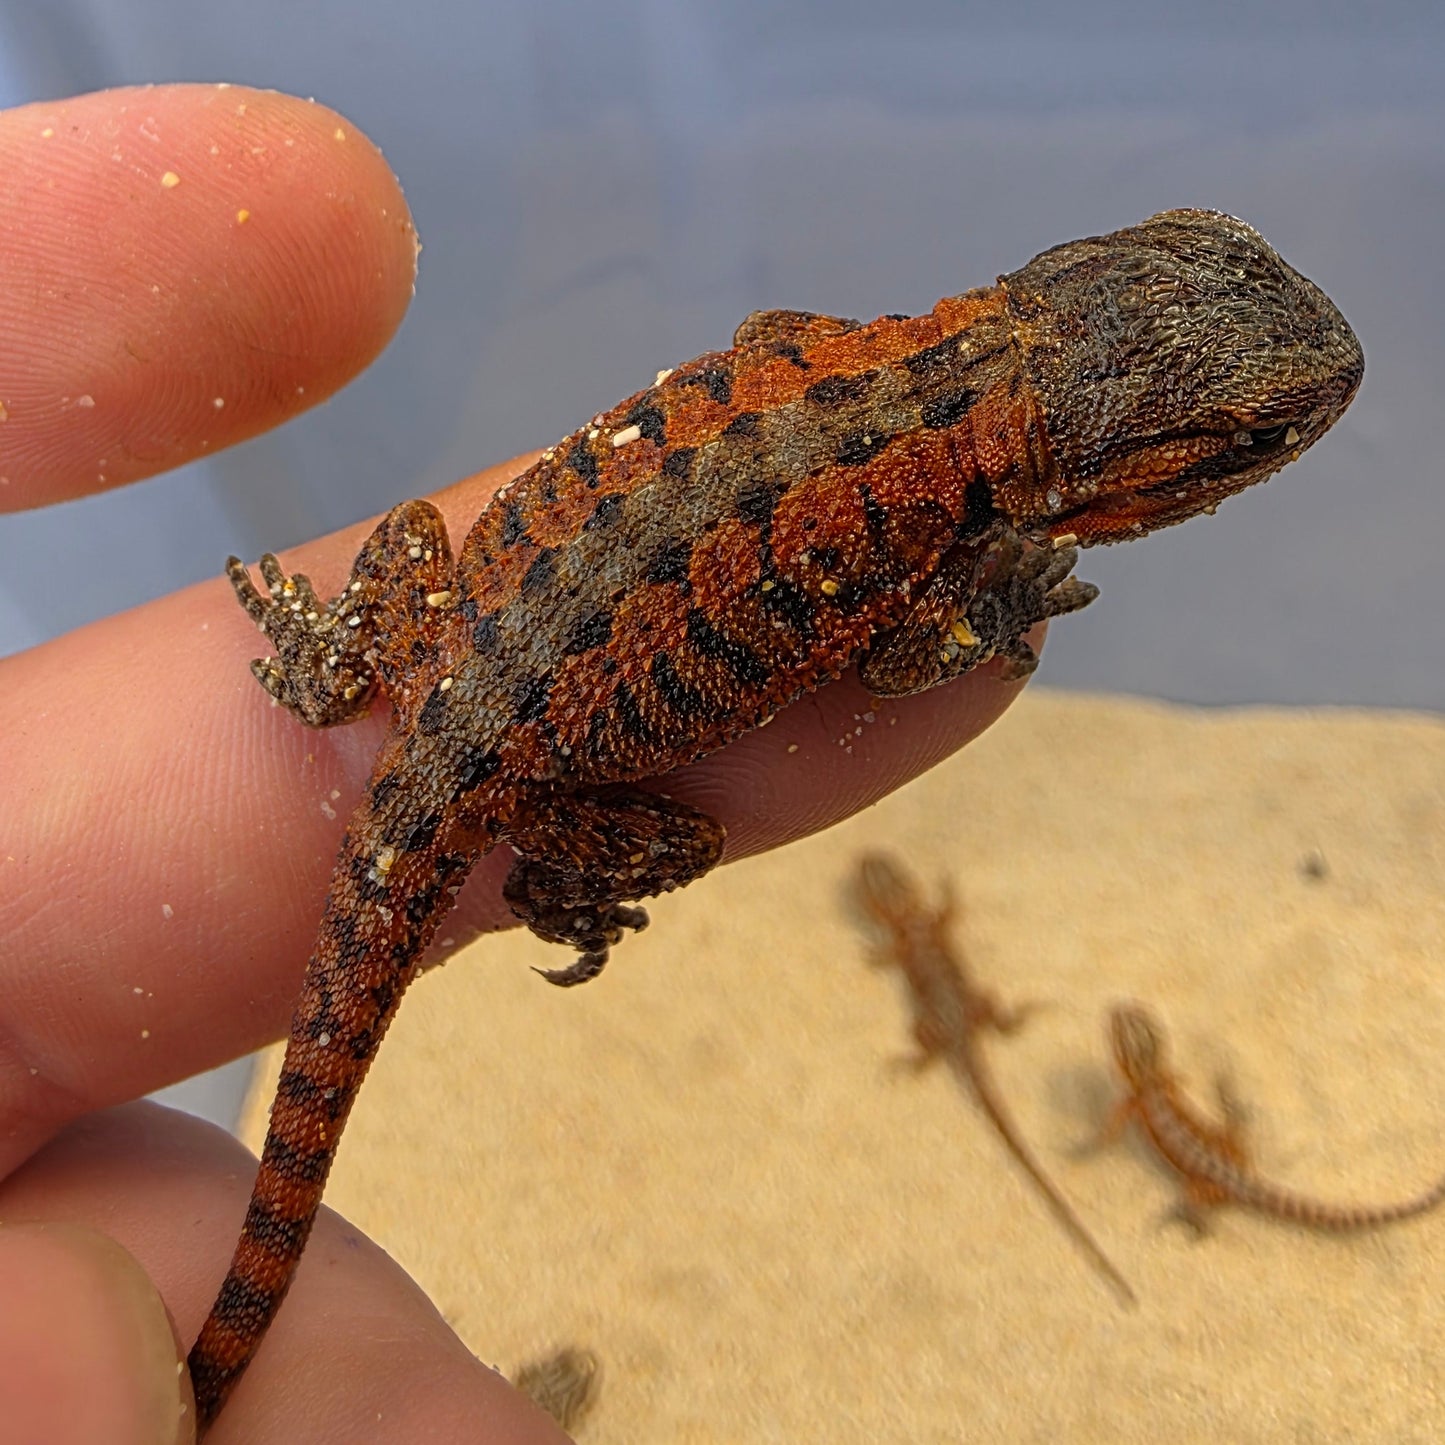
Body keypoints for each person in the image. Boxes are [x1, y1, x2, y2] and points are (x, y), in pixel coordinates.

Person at [0, 84, 1031, 1444]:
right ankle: (554, 880)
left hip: (448, 655)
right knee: (680, 839)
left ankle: (330, 669)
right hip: (520, 765)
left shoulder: (864, 351)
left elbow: (770, 344)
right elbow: (903, 664)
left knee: (422, 547)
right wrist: (996, 606)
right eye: (1240, 446)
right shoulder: (947, 509)